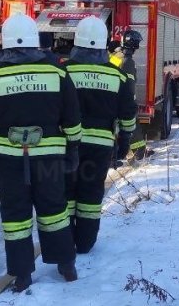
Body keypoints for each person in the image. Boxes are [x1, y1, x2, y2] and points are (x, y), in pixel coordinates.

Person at [0, 14, 82, 292]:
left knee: (15, 216)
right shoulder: (57, 72)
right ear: (36, 41)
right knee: (55, 209)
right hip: (49, 157)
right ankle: (66, 264)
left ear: (5, 43)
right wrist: (74, 147)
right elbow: (72, 115)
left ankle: (22, 274)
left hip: (9, 160)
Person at [63, 17, 137, 253]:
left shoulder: (63, 72)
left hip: (67, 145)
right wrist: (124, 142)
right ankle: (85, 243)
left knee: (66, 192)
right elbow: (127, 114)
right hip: (101, 146)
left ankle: (65, 239)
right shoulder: (118, 77)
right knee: (91, 193)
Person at [113, 29, 151, 160]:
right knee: (132, 124)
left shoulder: (116, 56)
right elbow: (129, 83)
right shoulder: (128, 61)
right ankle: (139, 153)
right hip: (122, 99)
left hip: (112, 96)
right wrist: (130, 101)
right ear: (133, 44)